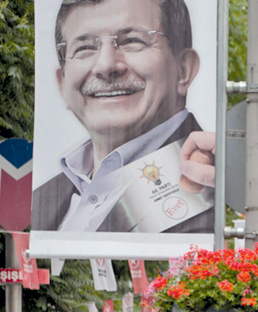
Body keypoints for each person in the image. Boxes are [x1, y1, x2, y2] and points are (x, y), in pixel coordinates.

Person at [33, 0, 213, 234]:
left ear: (183, 70)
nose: (107, 65)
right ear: (62, 83)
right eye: (85, 47)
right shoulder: (41, 200)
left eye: (132, 41)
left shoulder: (218, 184)